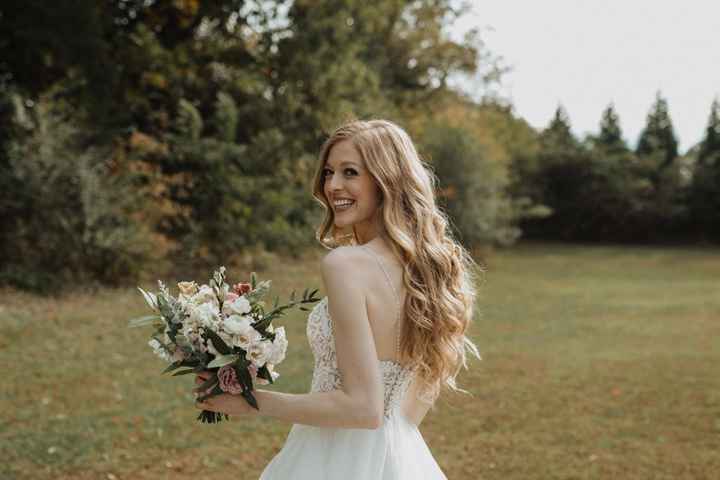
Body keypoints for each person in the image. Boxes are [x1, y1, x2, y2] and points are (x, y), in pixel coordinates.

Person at [194, 119, 482, 479]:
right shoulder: (427, 271)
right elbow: (407, 408)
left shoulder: (346, 264)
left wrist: (251, 401)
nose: (333, 185)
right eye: (329, 172)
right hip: (404, 456)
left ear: (386, 179)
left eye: (350, 172)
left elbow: (363, 409)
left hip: (332, 458)